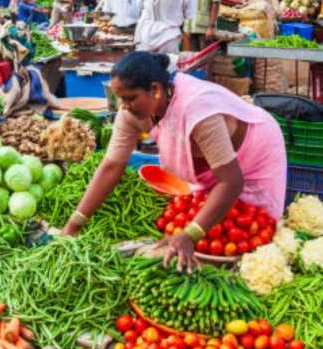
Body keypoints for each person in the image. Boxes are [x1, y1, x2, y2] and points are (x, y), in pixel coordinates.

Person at [62, 52, 286, 272]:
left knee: (253, 233)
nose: (123, 105)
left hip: (255, 151)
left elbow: (231, 182)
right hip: (212, 165)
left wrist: (190, 234)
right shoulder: (130, 112)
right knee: (213, 229)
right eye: (119, 97)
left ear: (156, 90)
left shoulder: (197, 109)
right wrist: (74, 225)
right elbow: (111, 166)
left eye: (129, 98)